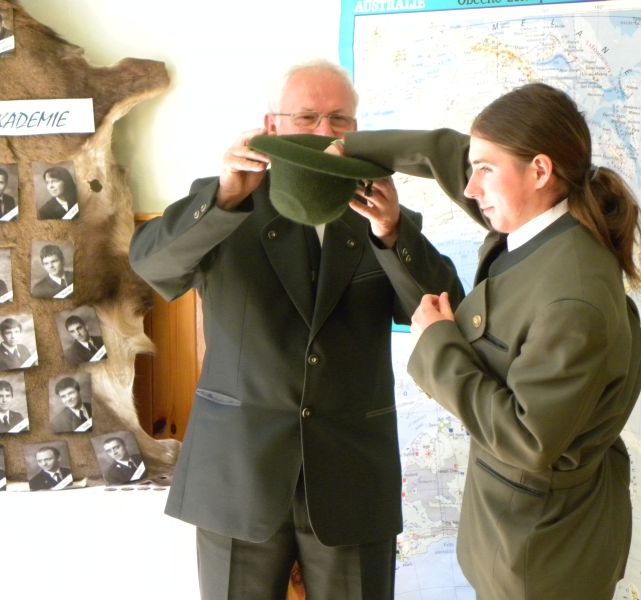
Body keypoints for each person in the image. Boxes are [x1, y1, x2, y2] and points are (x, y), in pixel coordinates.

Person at [128, 58, 464, 600]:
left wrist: (392, 231)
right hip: (237, 474)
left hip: (352, 478)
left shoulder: (383, 216)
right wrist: (225, 197)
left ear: (355, 130)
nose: (324, 132)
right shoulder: (226, 203)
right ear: (272, 126)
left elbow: (443, 308)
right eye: (307, 118)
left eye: (339, 120)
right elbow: (151, 265)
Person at [339, 82, 641, 599]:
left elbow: (528, 439)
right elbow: (446, 152)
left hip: (541, 557)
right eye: (474, 168)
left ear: (540, 170)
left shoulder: (572, 297)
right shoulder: (542, 221)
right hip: (518, 535)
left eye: (485, 170)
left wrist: (438, 345)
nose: (470, 188)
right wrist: (348, 149)